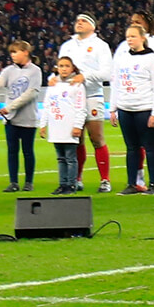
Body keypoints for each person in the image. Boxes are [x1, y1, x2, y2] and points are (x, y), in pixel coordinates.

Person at [112, 23, 154, 194]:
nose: (129, 40)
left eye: (133, 36)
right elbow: (116, 83)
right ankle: (132, 183)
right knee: (131, 148)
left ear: (143, 38)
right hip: (125, 108)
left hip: (144, 108)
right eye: (127, 37)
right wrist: (113, 108)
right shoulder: (122, 58)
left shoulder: (153, 59)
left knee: (150, 146)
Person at [59, 14, 117, 191]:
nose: (79, 23)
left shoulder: (100, 46)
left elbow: (107, 73)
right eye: (77, 21)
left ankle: (105, 180)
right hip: (70, 96)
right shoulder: (67, 46)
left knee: (96, 137)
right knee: (76, 139)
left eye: (83, 21)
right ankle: (76, 178)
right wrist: (54, 78)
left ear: (93, 26)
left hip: (92, 95)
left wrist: (86, 76)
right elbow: (60, 67)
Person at [0, 41, 46, 193]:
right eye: (11, 52)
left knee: (27, 151)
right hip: (11, 119)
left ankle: (28, 182)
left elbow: (31, 93)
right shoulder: (9, 70)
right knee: (12, 151)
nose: (13, 55)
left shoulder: (35, 71)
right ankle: (13, 182)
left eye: (16, 52)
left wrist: (10, 107)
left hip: (27, 118)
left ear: (25, 52)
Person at [40, 57, 89, 194]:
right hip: (56, 126)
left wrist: (78, 126)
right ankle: (62, 184)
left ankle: (71, 185)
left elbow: (81, 108)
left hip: (69, 127)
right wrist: (43, 124)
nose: (64, 68)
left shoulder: (77, 85)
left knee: (70, 158)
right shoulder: (53, 85)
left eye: (67, 66)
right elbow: (47, 106)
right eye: (61, 66)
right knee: (61, 158)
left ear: (73, 68)